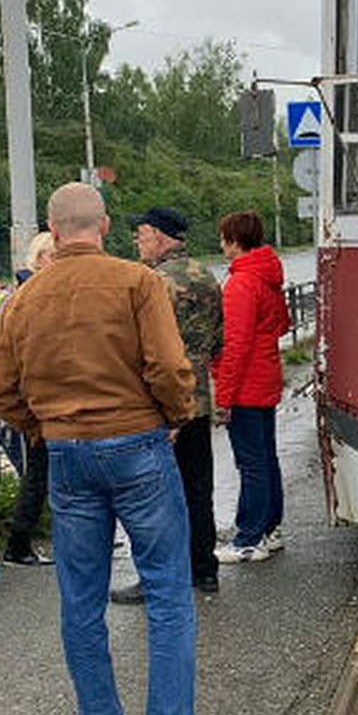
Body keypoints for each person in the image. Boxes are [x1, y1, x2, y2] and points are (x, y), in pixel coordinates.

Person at [0, 182, 213, 715]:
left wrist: (43, 431)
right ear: (106, 226)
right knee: (167, 588)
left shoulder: (23, 299)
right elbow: (169, 365)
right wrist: (174, 416)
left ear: (54, 230)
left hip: (67, 455)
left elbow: (5, 395)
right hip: (138, 444)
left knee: (81, 598)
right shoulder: (138, 282)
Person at [112, 206, 224, 602]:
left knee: (155, 497)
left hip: (163, 403)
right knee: (198, 489)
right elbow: (218, 342)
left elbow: (143, 347)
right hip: (199, 398)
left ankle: (158, 580)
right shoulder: (206, 275)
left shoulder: (151, 282)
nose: (136, 242)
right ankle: (205, 570)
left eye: (140, 234)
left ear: (159, 236)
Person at [212, 211, 291, 564]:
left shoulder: (241, 284)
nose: (221, 246)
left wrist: (223, 396)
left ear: (233, 241)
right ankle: (271, 528)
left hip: (245, 385)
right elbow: (282, 324)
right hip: (266, 377)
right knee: (266, 458)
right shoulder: (268, 275)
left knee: (251, 463)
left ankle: (248, 537)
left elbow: (235, 345)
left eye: (223, 238)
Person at [3, 231, 56, 567]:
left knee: (45, 473)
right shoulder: (28, 298)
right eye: (53, 255)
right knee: (39, 474)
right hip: (37, 401)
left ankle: (21, 542)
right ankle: (18, 544)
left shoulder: (32, 293)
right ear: (38, 260)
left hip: (41, 398)